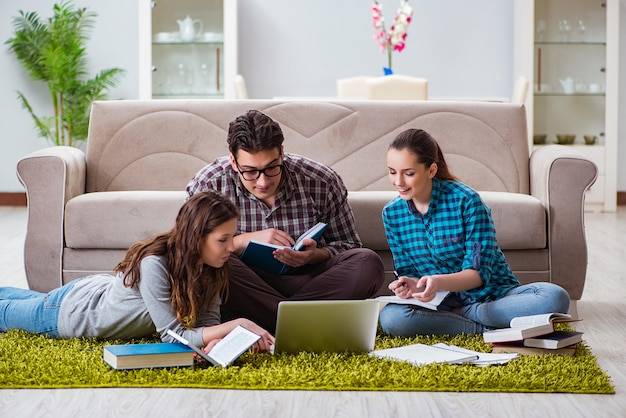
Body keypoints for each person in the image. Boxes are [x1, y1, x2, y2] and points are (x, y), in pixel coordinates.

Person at [0, 191, 275, 354]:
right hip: (75, 313)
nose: (231, 246)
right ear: (197, 238)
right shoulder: (154, 263)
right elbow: (173, 335)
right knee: (7, 313)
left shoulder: (214, 265)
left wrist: (217, 341)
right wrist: (236, 324)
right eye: (222, 239)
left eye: (232, 237)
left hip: (97, 291)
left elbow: (205, 322)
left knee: (26, 299)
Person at [186, 109, 385, 333]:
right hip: (244, 283)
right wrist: (241, 241)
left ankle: (267, 318)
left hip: (309, 280)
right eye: (250, 172)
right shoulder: (209, 184)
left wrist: (313, 255)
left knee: (368, 263)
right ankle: (303, 322)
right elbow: (190, 250)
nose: (262, 182)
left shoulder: (321, 181)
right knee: (215, 264)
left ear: (282, 153)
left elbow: (349, 245)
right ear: (233, 161)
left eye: (271, 168)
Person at [379, 128, 570, 337]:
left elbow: (478, 275)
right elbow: (409, 273)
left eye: (408, 173)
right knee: (391, 318)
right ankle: (487, 329)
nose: (398, 182)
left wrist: (437, 282)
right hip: (440, 303)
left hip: (491, 298)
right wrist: (410, 285)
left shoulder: (467, 201)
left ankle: (464, 318)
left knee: (554, 297)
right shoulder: (392, 213)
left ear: (431, 170)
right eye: (392, 172)